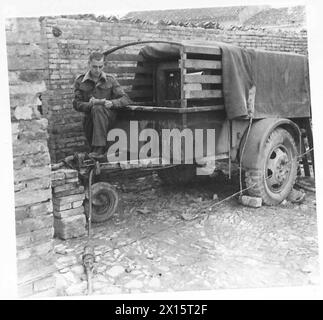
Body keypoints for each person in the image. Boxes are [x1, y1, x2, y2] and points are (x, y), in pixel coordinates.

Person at [73, 51, 131, 158]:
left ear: (104, 65)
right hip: (90, 121)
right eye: (94, 67)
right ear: (89, 64)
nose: (98, 70)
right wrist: (90, 105)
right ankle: (97, 151)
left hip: (109, 118)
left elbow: (126, 99)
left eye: (100, 66)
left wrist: (112, 103)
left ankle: (99, 148)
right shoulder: (80, 81)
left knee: (98, 108)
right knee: (95, 108)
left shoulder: (110, 80)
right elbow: (76, 104)